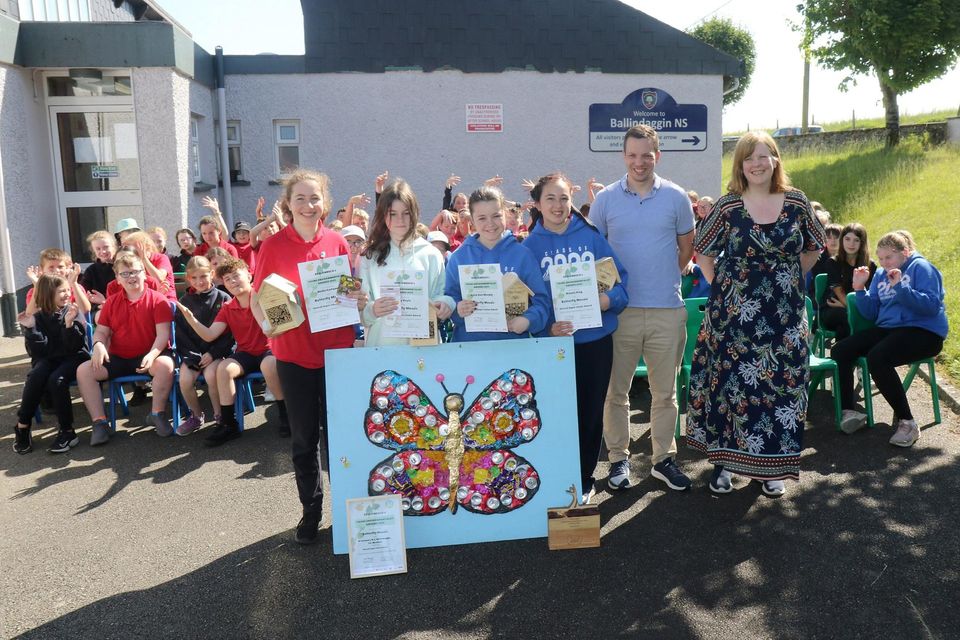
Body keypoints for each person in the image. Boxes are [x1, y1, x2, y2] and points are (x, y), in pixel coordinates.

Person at [686, 131, 825, 496]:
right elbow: (702, 251)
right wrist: (726, 289)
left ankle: (770, 468)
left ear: (776, 160)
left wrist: (791, 279)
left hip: (784, 317)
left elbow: (815, 246)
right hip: (733, 318)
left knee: (781, 389)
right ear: (740, 165)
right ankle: (724, 466)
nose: (757, 164)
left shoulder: (796, 203)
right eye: (749, 158)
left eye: (764, 156)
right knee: (731, 389)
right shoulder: (728, 205)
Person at [249, 168, 365, 545]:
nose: (308, 205)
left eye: (314, 198)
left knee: (341, 439)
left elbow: (348, 291)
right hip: (294, 354)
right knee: (304, 441)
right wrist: (265, 323)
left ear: (325, 203)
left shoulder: (336, 241)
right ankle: (310, 511)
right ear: (288, 204)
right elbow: (258, 297)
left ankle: (348, 511)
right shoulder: (272, 246)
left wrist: (356, 300)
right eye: (300, 198)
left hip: (337, 354)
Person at [590, 125, 696, 492]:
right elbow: (595, 253)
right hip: (620, 313)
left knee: (665, 393)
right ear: (624, 156)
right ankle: (618, 460)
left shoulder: (677, 197)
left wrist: (662, 276)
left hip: (667, 309)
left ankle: (663, 459)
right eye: (633, 155)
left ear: (657, 156)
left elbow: (686, 250)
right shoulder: (604, 200)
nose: (639, 162)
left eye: (646, 155)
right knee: (614, 392)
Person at [521, 173, 629, 503]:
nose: (558, 205)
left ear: (572, 201)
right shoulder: (528, 247)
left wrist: (606, 301)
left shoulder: (592, 238)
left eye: (564, 198)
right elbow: (523, 302)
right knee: (553, 412)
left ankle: (583, 476)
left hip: (595, 341)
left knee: (591, 411)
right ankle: (555, 475)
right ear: (537, 204)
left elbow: (621, 285)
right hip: (553, 345)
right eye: (550, 199)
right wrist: (545, 327)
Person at [831, 230, 947, 446]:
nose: (884, 263)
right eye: (881, 258)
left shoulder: (921, 268)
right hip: (890, 329)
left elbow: (931, 306)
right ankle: (850, 412)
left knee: (878, 357)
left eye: (889, 257)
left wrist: (901, 288)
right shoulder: (882, 274)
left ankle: (908, 423)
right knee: (841, 350)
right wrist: (859, 289)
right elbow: (871, 313)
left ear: (904, 252)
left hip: (924, 331)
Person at [177, 257, 287, 445]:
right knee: (224, 369)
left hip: (269, 349)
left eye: (236, 276)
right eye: (227, 279)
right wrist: (192, 320)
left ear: (249, 276)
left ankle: (286, 415)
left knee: (269, 364)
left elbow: (281, 324)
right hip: (245, 353)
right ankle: (229, 424)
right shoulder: (228, 307)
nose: (232, 281)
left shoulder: (265, 296)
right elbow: (210, 335)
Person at [75, 251, 176, 445]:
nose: (131, 277)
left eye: (135, 271)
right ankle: (100, 423)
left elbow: (163, 335)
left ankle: (157, 414)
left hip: (150, 355)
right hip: (119, 358)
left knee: (165, 365)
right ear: (117, 279)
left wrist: (152, 354)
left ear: (144, 273)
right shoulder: (111, 302)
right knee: (84, 370)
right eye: (125, 274)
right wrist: (98, 345)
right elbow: (102, 332)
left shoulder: (158, 299)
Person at [444, 186, 549, 343]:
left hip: (513, 348)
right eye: (482, 218)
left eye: (496, 216)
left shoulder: (523, 255)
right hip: (470, 349)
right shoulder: (459, 257)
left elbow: (541, 302)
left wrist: (528, 320)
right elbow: (449, 300)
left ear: (505, 215)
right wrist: (457, 309)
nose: (490, 224)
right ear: (472, 220)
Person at [359, 179, 454, 347]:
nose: (400, 220)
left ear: (414, 213)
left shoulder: (430, 254)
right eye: (392, 213)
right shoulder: (370, 257)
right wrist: (372, 310)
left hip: (423, 348)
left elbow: (441, 294)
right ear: (383, 215)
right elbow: (361, 310)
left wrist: (445, 304)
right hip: (382, 347)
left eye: (406, 213)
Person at [12, 275, 89, 454]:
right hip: (49, 359)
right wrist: (31, 329)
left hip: (74, 357)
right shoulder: (37, 317)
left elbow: (75, 347)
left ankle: (68, 432)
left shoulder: (72, 312)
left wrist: (69, 325)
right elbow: (37, 352)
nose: (66, 294)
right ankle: (23, 426)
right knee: (36, 375)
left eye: (67, 290)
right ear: (47, 294)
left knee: (56, 379)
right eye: (62, 291)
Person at [173, 256, 233, 436]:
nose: (199, 281)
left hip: (216, 353)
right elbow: (181, 334)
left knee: (211, 376)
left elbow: (230, 333)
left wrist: (213, 353)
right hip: (193, 354)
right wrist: (192, 356)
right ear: (188, 279)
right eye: (194, 278)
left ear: (212, 274)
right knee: (184, 380)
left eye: (204, 276)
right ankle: (196, 416)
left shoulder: (223, 298)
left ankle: (219, 414)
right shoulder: (184, 302)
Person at [819, 222, 877, 340]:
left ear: (862, 243)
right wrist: (849, 307)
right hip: (833, 306)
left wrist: (852, 308)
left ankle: (857, 353)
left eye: (856, 240)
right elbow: (838, 291)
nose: (851, 244)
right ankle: (844, 355)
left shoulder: (870, 265)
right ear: (842, 240)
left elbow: (872, 292)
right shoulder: (833, 262)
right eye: (847, 239)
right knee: (847, 317)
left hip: (857, 307)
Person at [24, 248, 91, 317]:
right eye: (51, 267)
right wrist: (37, 286)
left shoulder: (75, 288)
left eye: (60, 267)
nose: (56, 271)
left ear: (67, 267)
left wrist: (74, 284)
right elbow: (30, 314)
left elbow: (85, 310)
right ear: (42, 269)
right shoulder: (35, 291)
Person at [120, 231, 177, 301]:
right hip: (145, 301)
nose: (130, 252)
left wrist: (144, 258)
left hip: (166, 300)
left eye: (133, 248)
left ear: (146, 247)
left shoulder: (161, 258)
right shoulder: (134, 262)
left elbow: (159, 278)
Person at [80, 230, 117, 309]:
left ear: (113, 246)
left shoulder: (122, 266)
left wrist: (105, 301)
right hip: (98, 308)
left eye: (106, 247)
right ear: (94, 251)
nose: (103, 251)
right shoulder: (91, 271)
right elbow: (85, 293)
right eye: (98, 249)